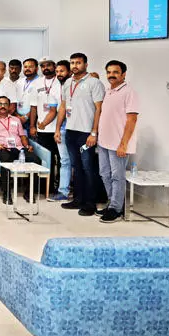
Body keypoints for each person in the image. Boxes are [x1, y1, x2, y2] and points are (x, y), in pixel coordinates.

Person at [55, 52, 106, 216]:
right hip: (71, 132)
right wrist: (58, 129)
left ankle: (90, 204)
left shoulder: (94, 83)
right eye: (72, 63)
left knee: (87, 167)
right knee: (76, 167)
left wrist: (94, 133)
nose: (75, 65)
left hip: (86, 133)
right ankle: (78, 199)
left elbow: (99, 109)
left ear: (85, 64)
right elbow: (63, 107)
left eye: (78, 62)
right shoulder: (67, 83)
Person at [97, 60, 139, 223]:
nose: (111, 75)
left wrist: (124, 144)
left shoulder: (129, 92)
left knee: (117, 176)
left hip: (118, 144)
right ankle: (112, 203)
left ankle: (116, 208)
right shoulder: (108, 91)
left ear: (123, 74)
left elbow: (132, 120)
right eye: (108, 72)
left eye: (115, 72)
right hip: (104, 142)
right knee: (104, 174)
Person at [0, 96, 42, 204]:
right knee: (6, 163)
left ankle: (29, 192)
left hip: (19, 148)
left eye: (5, 104)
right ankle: (7, 193)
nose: (2, 106)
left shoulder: (16, 120)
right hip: (2, 148)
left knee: (36, 160)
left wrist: (27, 146)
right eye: (0, 104)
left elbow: (22, 136)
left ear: (9, 106)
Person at [30, 58, 63, 200]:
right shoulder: (37, 83)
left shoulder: (60, 82)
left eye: (48, 65)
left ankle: (60, 187)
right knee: (46, 160)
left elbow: (58, 109)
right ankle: (46, 188)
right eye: (43, 66)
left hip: (59, 129)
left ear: (54, 66)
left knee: (61, 161)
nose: (46, 68)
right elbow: (33, 106)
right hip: (42, 130)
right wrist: (32, 125)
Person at [49, 60, 73, 202]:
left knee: (79, 163)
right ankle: (63, 191)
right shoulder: (56, 88)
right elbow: (59, 110)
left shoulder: (75, 85)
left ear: (69, 72)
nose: (59, 74)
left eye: (62, 71)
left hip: (77, 130)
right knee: (65, 161)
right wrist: (57, 129)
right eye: (57, 71)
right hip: (63, 128)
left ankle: (79, 192)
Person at [15, 58, 40, 131]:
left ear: (37, 68)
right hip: (18, 118)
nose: (27, 69)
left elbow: (38, 103)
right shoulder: (19, 82)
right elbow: (16, 100)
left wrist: (26, 117)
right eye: (25, 67)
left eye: (30, 67)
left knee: (32, 138)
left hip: (32, 119)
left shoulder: (40, 82)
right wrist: (17, 116)